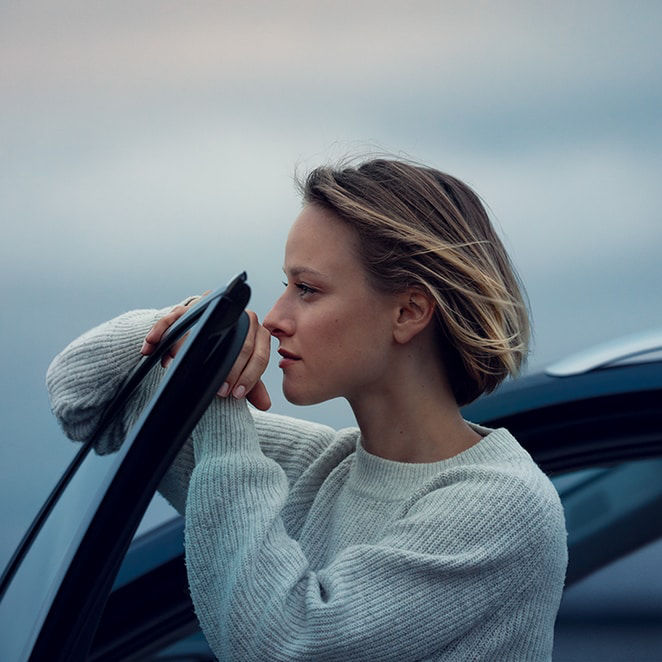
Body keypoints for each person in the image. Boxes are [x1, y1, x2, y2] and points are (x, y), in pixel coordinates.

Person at [47, 158, 567, 661]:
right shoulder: (317, 469)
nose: (274, 318)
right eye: (285, 285)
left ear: (408, 311)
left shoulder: (502, 506)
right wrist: (183, 328)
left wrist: (217, 386)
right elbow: (80, 396)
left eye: (308, 289)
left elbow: (282, 645)